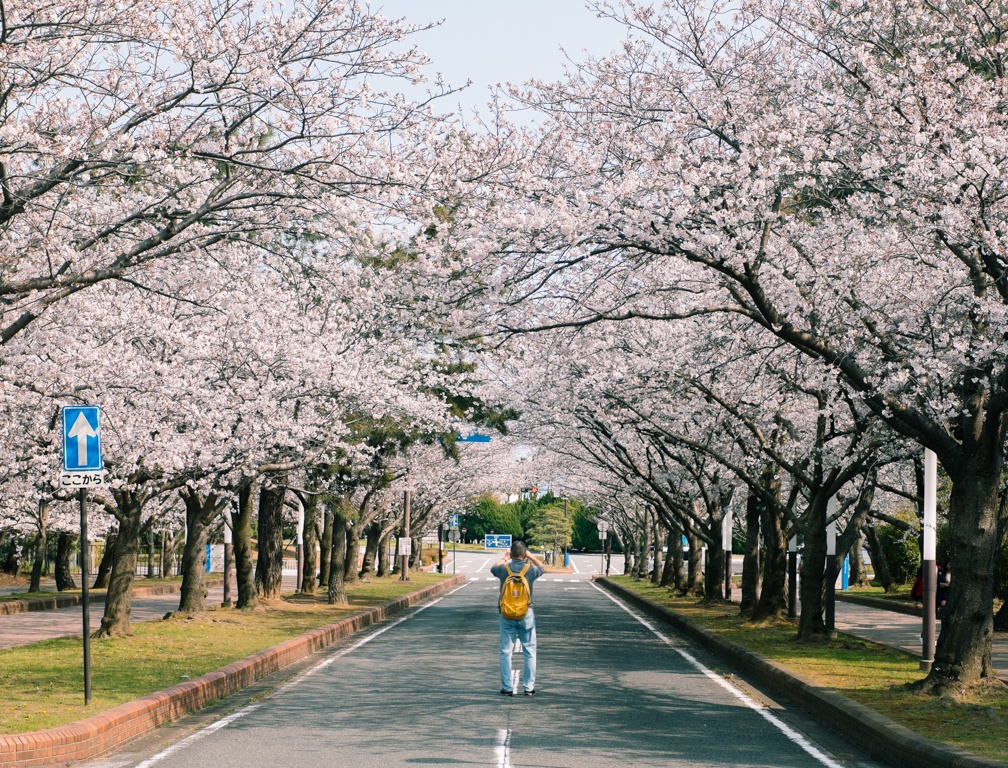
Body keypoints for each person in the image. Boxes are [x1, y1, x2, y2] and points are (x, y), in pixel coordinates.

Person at [491, 540, 545, 696]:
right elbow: (543, 568)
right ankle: (529, 687)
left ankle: (507, 687)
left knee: (506, 651)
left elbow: (493, 568)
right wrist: (531, 556)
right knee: (529, 651)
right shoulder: (530, 570)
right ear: (524, 554)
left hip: (507, 613)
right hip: (526, 613)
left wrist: (505, 557)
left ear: (512, 554)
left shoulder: (504, 569)